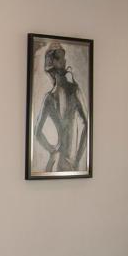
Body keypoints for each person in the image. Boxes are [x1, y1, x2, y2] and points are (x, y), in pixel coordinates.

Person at [32, 43, 88, 173]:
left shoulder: (50, 97)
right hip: (69, 161)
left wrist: (53, 150)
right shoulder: (74, 91)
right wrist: (78, 159)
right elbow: (87, 125)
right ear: (55, 63)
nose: (65, 60)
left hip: (58, 162)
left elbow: (37, 132)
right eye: (61, 58)